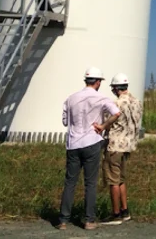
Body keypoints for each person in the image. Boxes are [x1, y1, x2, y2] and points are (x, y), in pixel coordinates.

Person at [58, 67, 121, 230]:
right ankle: (89, 220)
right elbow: (116, 113)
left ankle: (63, 220)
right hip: (92, 142)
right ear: (98, 82)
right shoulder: (101, 98)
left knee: (70, 182)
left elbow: (65, 121)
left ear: (86, 81)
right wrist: (103, 125)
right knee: (90, 183)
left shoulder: (71, 98)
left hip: (73, 144)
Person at [99, 73, 143, 225]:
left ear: (116, 88)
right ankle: (125, 211)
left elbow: (108, 122)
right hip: (128, 145)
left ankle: (115, 214)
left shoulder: (116, 104)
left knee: (113, 180)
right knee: (122, 179)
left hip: (115, 145)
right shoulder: (137, 102)